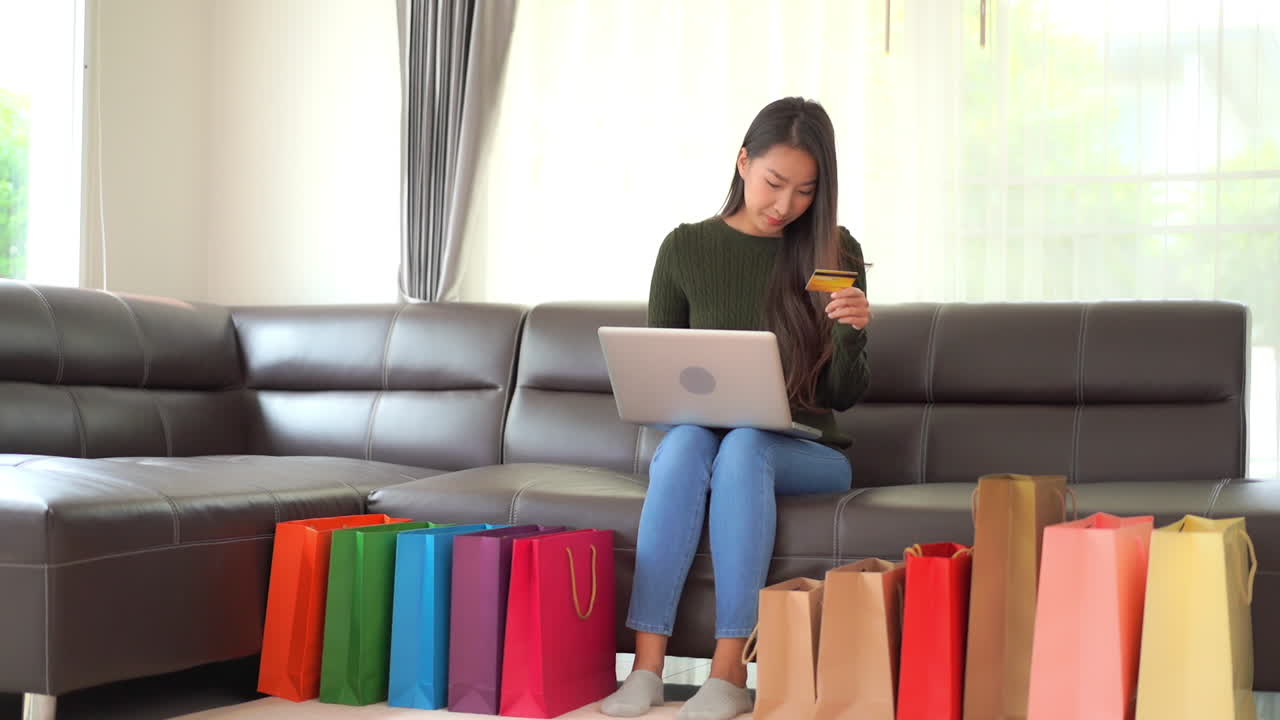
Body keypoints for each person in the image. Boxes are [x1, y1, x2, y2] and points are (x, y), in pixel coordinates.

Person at [600, 97, 872, 720]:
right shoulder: (686, 249)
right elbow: (661, 378)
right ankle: (646, 668)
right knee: (690, 441)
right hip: (708, 444)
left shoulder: (833, 251)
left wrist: (853, 331)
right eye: (775, 183)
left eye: (805, 191)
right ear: (744, 161)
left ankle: (727, 673)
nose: (785, 205)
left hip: (809, 450)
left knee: (746, 444)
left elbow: (845, 397)